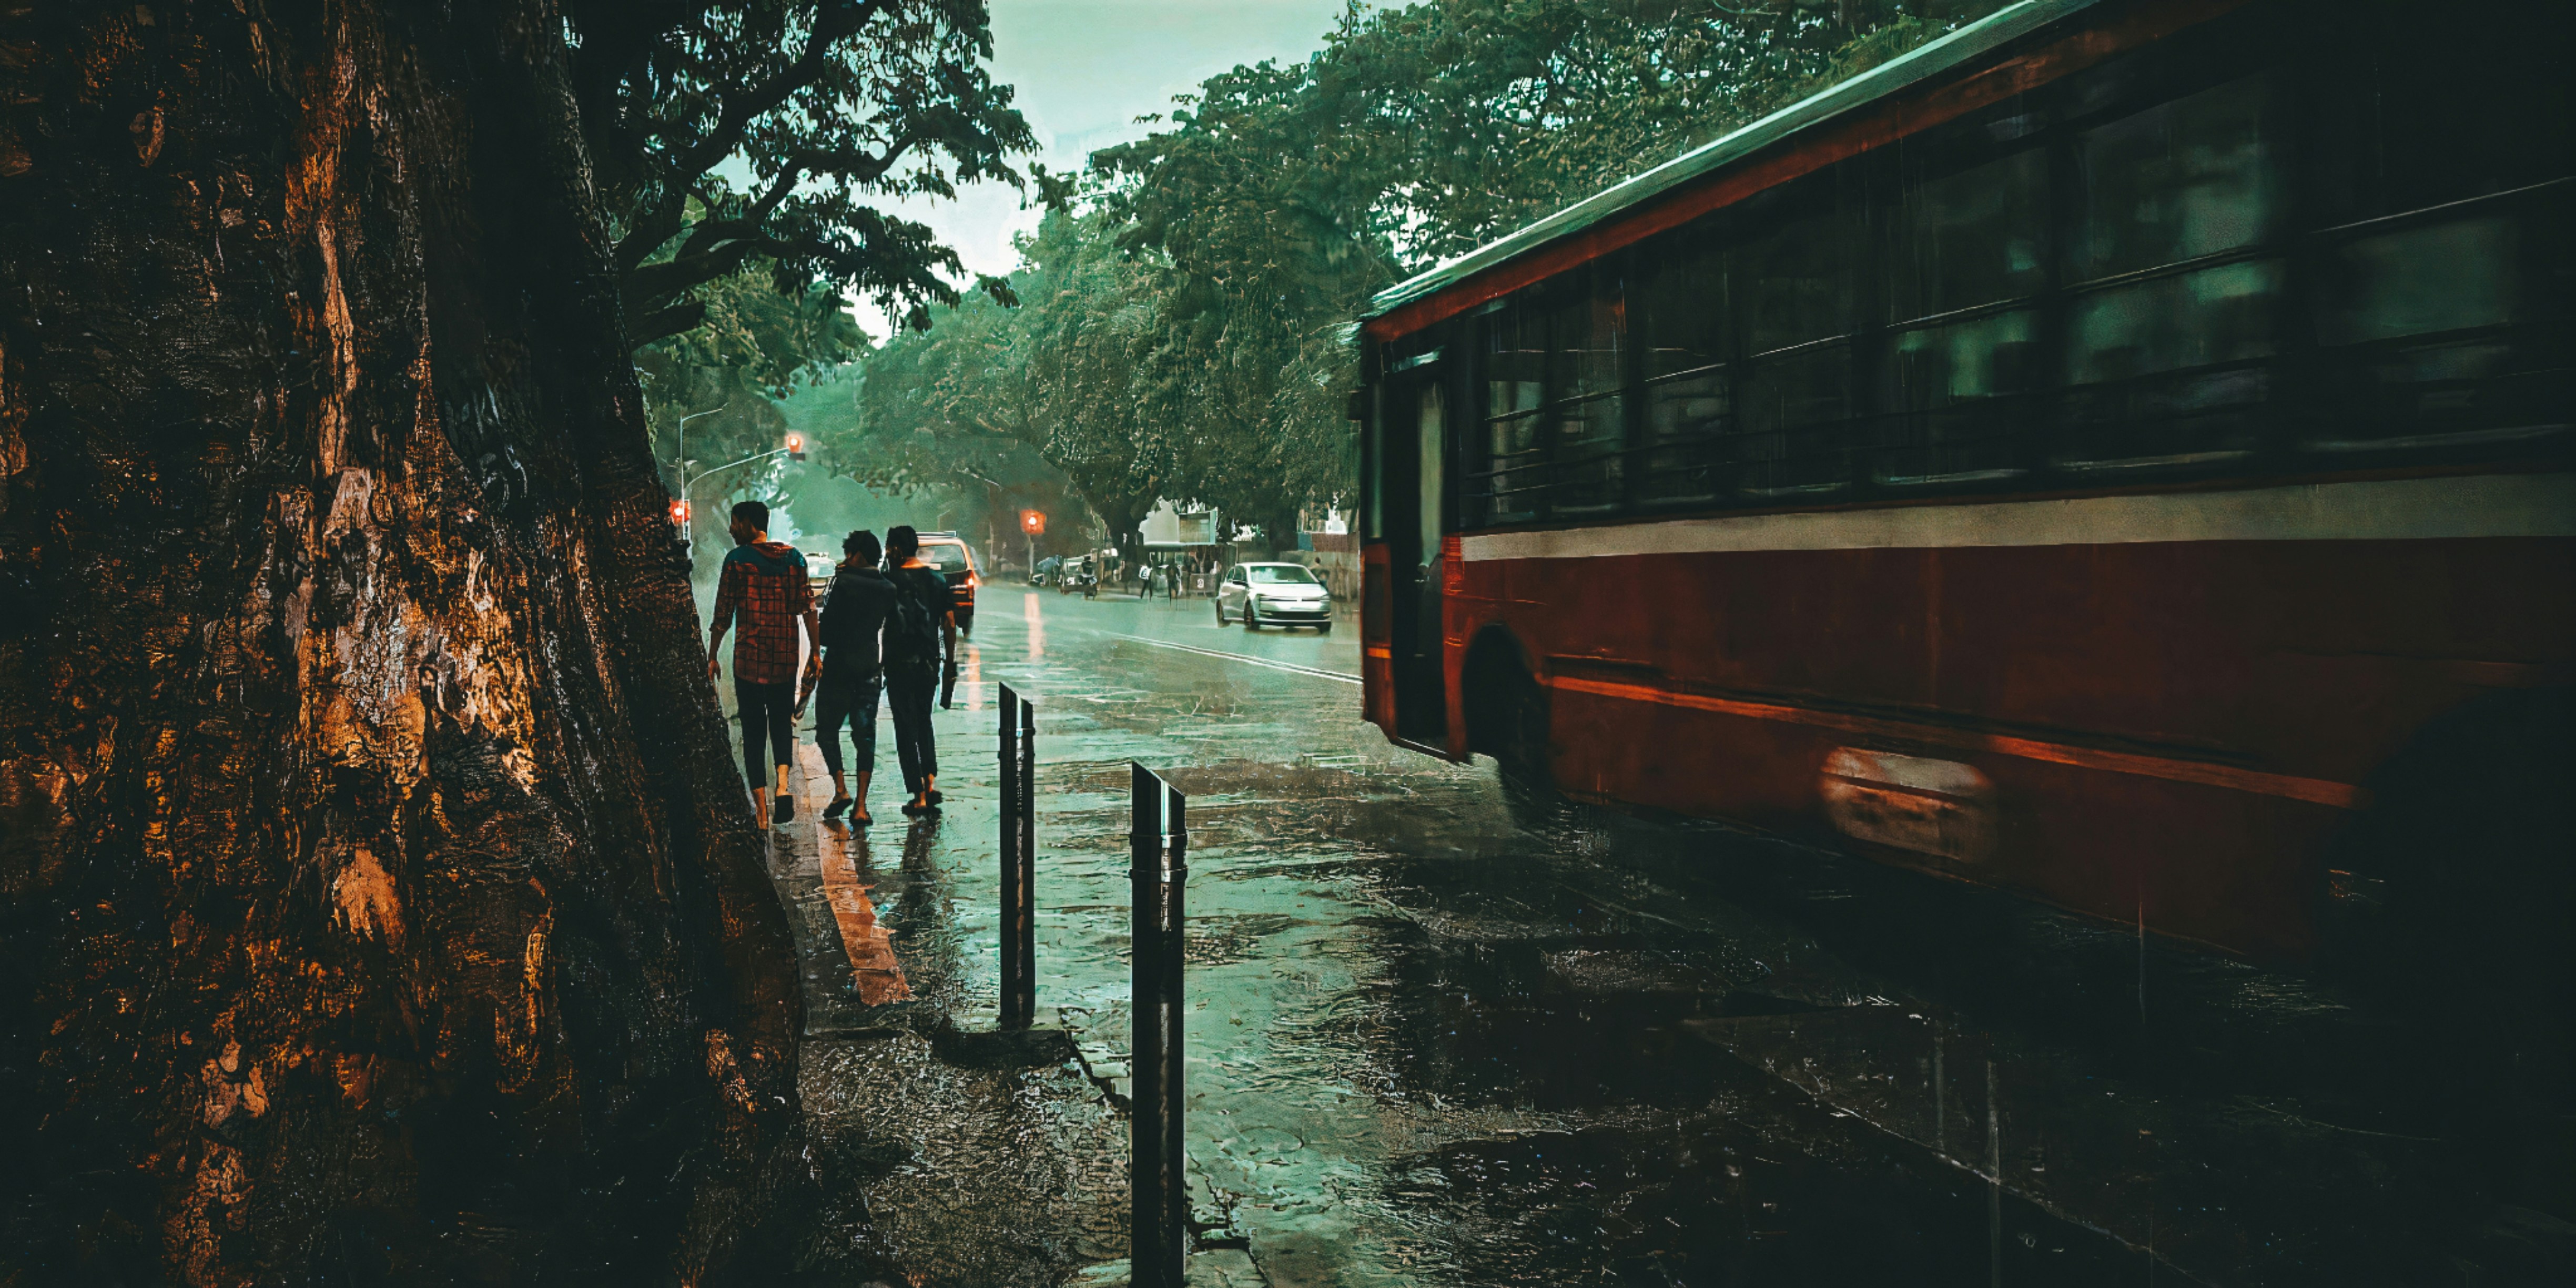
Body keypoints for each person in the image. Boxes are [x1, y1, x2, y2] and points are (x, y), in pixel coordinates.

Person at [706, 500, 819, 829]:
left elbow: (722, 615)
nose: (730, 529)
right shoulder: (794, 559)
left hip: (749, 661)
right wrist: (815, 651)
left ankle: (762, 814)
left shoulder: (737, 561)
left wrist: (712, 656)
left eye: (735, 523)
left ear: (749, 525)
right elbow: (808, 608)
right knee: (782, 724)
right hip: (785, 658)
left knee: (754, 732)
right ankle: (783, 786)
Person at [810, 529, 895, 826]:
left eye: (848, 553)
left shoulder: (843, 582)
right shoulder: (888, 587)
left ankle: (840, 789)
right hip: (869, 667)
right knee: (865, 736)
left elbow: (827, 628)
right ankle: (861, 805)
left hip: (838, 667)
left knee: (827, 730)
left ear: (857, 555)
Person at [881, 525, 958, 817]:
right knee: (924, 721)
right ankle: (930, 781)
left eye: (889, 548)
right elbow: (949, 623)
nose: (888, 553)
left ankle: (918, 795)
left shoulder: (888, 581)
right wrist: (950, 662)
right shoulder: (937, 580)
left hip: (899, 665)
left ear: (897, 549)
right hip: (929, 664)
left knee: (904, 727)